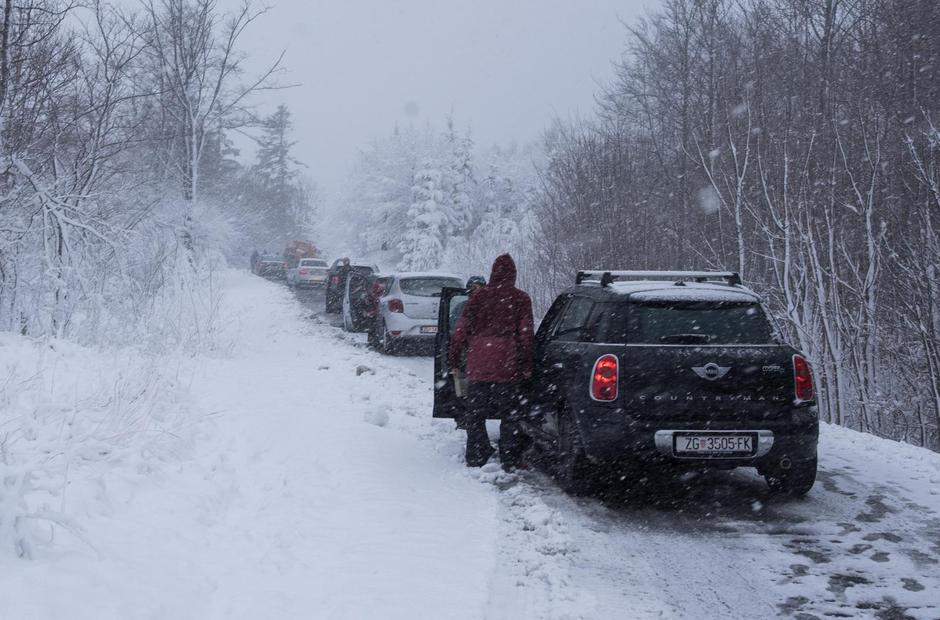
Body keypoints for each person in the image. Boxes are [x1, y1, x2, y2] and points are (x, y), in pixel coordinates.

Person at [449, 254, 534, 470]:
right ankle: (510, 457)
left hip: (478, 367)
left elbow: (460, 331)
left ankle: (477, 454)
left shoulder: (478, 298)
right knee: (510, 415)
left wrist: (454, 360)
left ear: (493, 272)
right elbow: (526, 335)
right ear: (513, 274)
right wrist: (526, 366)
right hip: (507, 368)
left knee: (475, 414)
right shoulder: (521, 299)